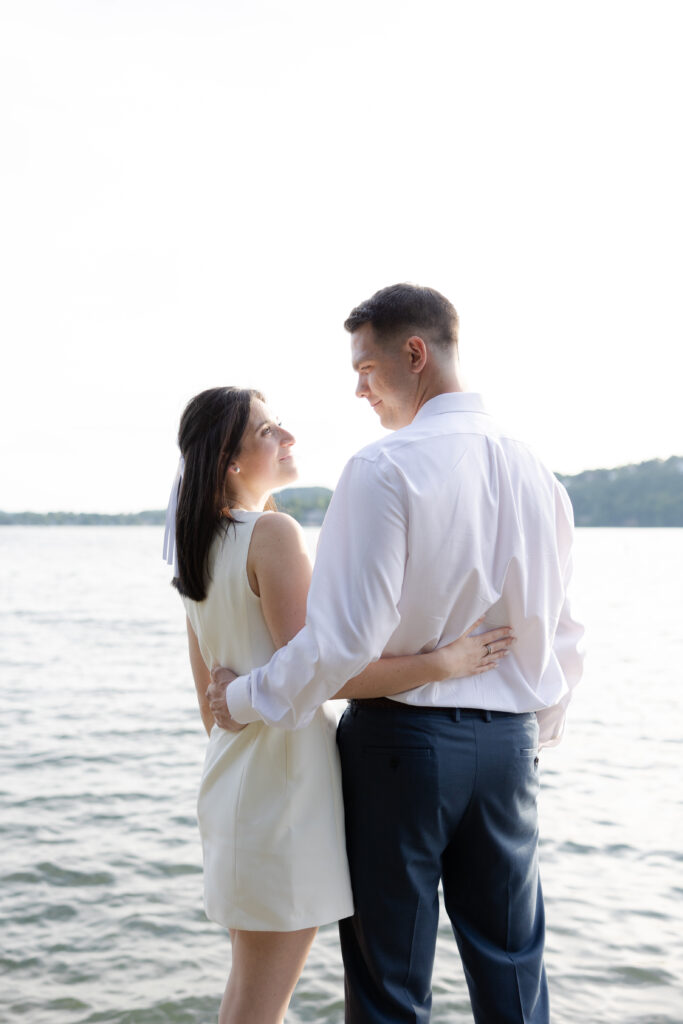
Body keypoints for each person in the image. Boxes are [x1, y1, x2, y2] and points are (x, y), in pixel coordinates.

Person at [208, 284, 585, 1024]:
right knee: (513, 971)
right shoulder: (537, 471)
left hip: (399, 747)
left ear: (413, 354)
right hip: (509, 747)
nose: (357, 389)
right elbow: (563, 633)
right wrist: (527, 734)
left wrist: (243, 697)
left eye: (364, 367)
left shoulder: (384, 467)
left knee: (389, 985)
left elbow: (342, 641)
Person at [164, 385, 515, 1024]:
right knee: (258, 1005)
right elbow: (321, 674)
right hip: (284, 797)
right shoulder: (271, 534)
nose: (288, 438)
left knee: (248, 994)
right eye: (270, 431)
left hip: (233, 785)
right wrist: (445, 663)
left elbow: (210, 710)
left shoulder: (195, 550)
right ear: (231, 461)